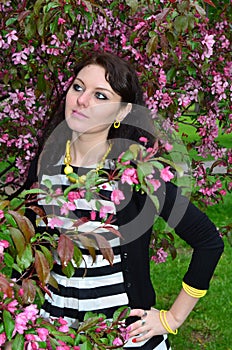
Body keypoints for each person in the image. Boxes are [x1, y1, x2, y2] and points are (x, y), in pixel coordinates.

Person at [25, 52, 224, 349]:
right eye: (78, 87)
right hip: (55, 333)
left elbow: (208, 241)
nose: (82, 100)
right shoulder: (46, 163)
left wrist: (171, 319)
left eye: (100, 96)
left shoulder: (135, 175)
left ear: (121, 112)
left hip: (123, 336)